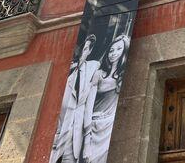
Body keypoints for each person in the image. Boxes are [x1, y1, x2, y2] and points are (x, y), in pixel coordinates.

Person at [50, 34, 99, 163]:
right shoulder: (66, 76)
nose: (82, 53)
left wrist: (87, 144)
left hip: (74, 141)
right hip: (57, 140)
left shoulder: (92, 68)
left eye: (86, 49)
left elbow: (88, 109)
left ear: (89, 51)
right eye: (81, 49)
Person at [82, 34, 130, 163]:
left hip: (108, 128)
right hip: (91, 126)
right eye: (111, 50)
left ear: (125, 51)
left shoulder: (123, 77)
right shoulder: (98, 75)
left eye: (119, 49)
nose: (113, 53)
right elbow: (88, 106)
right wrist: (86, 138)